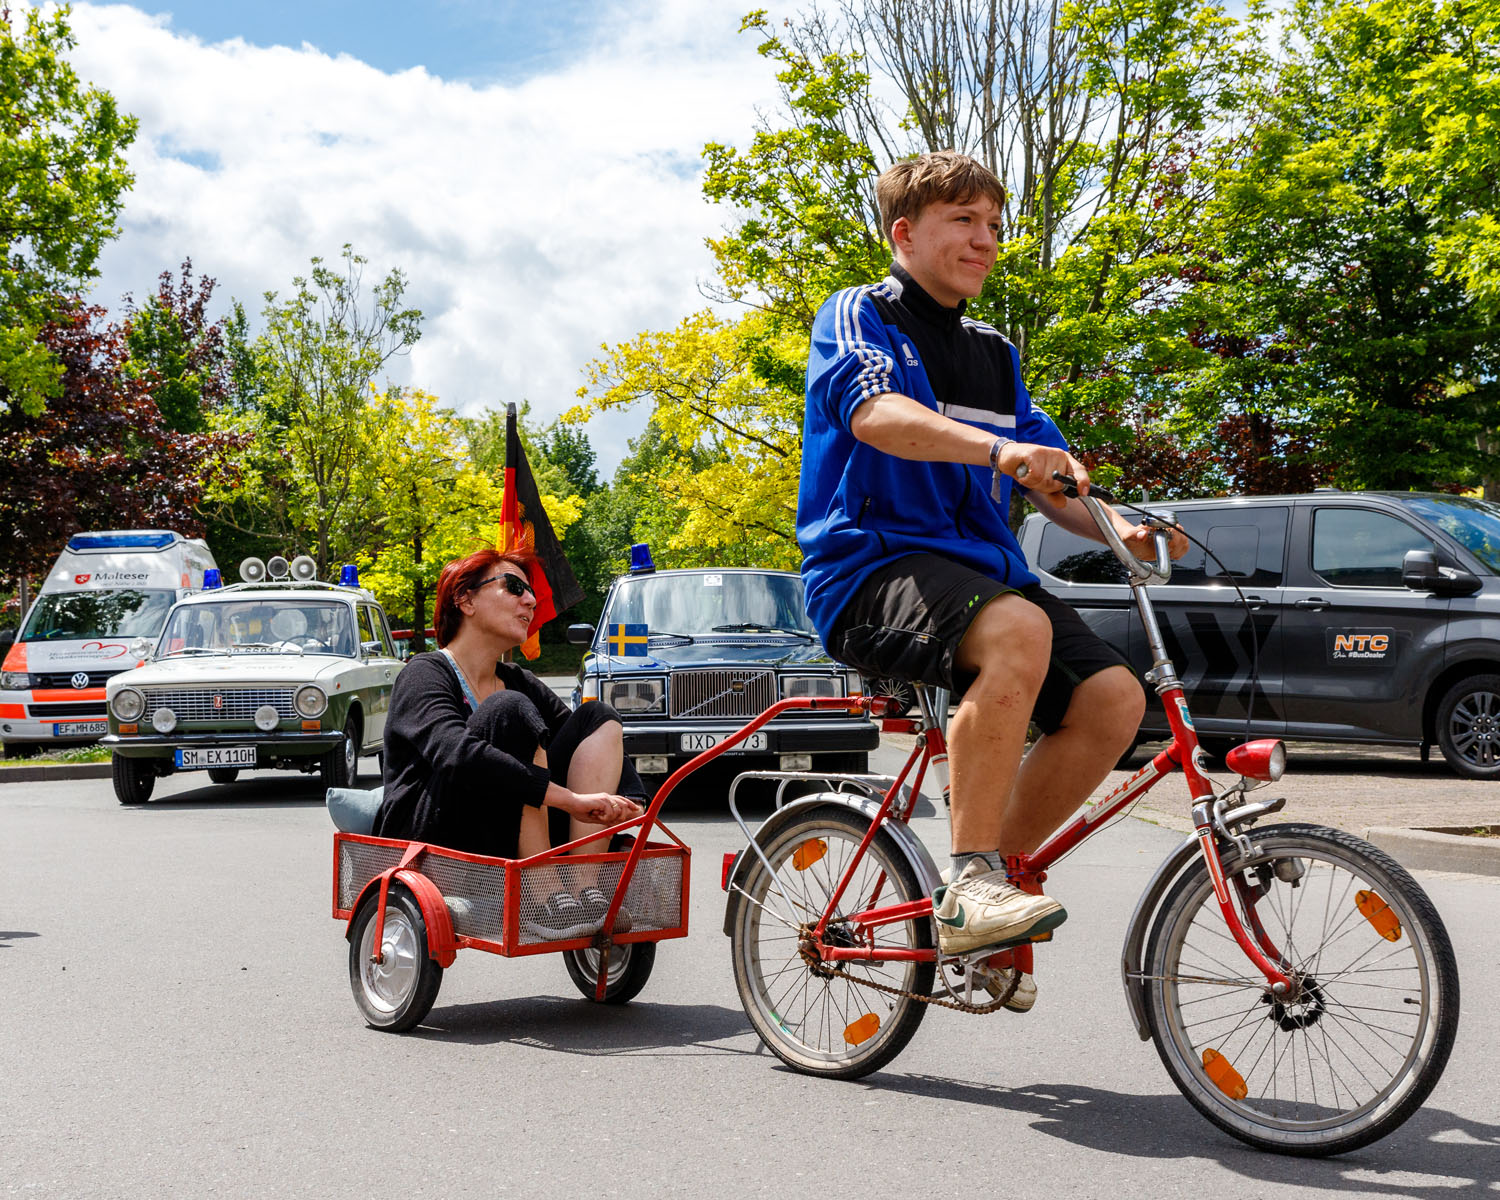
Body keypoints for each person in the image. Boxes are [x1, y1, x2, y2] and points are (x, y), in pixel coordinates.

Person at [797, 150, 1187, 1010]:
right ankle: (971, 879)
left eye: (994, 226)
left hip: (979, 576)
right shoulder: (860, 314)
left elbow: (1055, 479)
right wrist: (998, 449)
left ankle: (986, 892)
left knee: (1115, 700)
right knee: (1020, 628)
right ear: (905, 234)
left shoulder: (994, 354)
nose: (986, 240)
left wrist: (1122, 527)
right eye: (964, 221)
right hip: (867, 567)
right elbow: (877, 416)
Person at [372, 547, 646, 939]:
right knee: (510, 710)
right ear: (466, 600)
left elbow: (581, 738)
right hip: (435, 834)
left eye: (530, 591)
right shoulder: (424, 673)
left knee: (596, 716)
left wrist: (630, 800)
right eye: (515, 587)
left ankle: (584, 891)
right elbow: (456, 756)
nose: (531, 600)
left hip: (502, 828)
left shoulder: (518, 679)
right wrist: (570, 801)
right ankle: (544, 896)